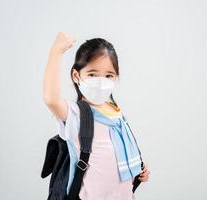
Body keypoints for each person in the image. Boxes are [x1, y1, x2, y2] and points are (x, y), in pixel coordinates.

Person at [43, 32, 150, 200]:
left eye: (108, 75)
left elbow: (120, 151)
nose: (101, 81)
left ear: (115, 78)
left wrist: (138, 168)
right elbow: (51, 99)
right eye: (92, 74)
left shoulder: (115, 111)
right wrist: (56, 51)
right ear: (76, 76)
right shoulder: (76, 115)